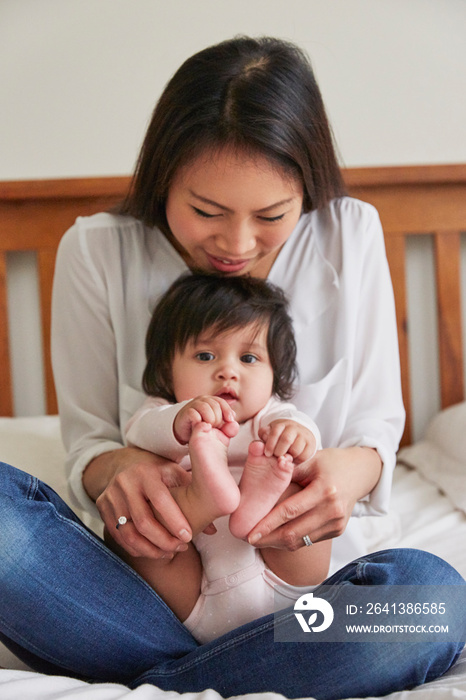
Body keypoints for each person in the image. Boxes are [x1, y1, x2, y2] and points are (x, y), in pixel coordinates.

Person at [0, 35, 464, 699]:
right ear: (163, 179)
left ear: (304, 190)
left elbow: (376, 425)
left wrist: (345, 473)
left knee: (431, 603)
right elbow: (89, 443)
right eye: (206, 212)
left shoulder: (349, 235)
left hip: (302, 597)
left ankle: (163, 681)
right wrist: (120, 469)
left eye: (272, 216)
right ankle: (250, 670)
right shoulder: (95, 251)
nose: (238, 244)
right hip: (151, 591)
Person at [110, 273, 329, 642]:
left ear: (274, 374)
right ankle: (202, 501)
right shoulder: (165, 413)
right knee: (132, 523)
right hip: (190, 594)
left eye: (249, 357)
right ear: (167, 369)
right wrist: (181, 421)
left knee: (302, 490)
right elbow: (141, 432)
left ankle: (250, 507)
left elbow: (300, 427)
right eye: (205, 355)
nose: (228, 370)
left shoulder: (270, 418)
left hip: (284, 579)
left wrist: (299, 436)